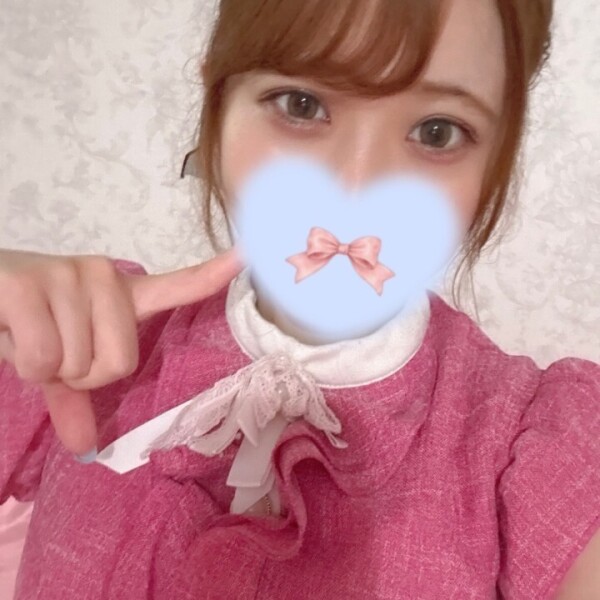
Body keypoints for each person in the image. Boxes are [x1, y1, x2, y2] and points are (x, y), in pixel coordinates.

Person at [1, 0, 598, 598]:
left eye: (436, 131)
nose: (355, 188)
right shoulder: (75, 335)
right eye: (301, 104)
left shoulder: (536, 437)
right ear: (217, 105)